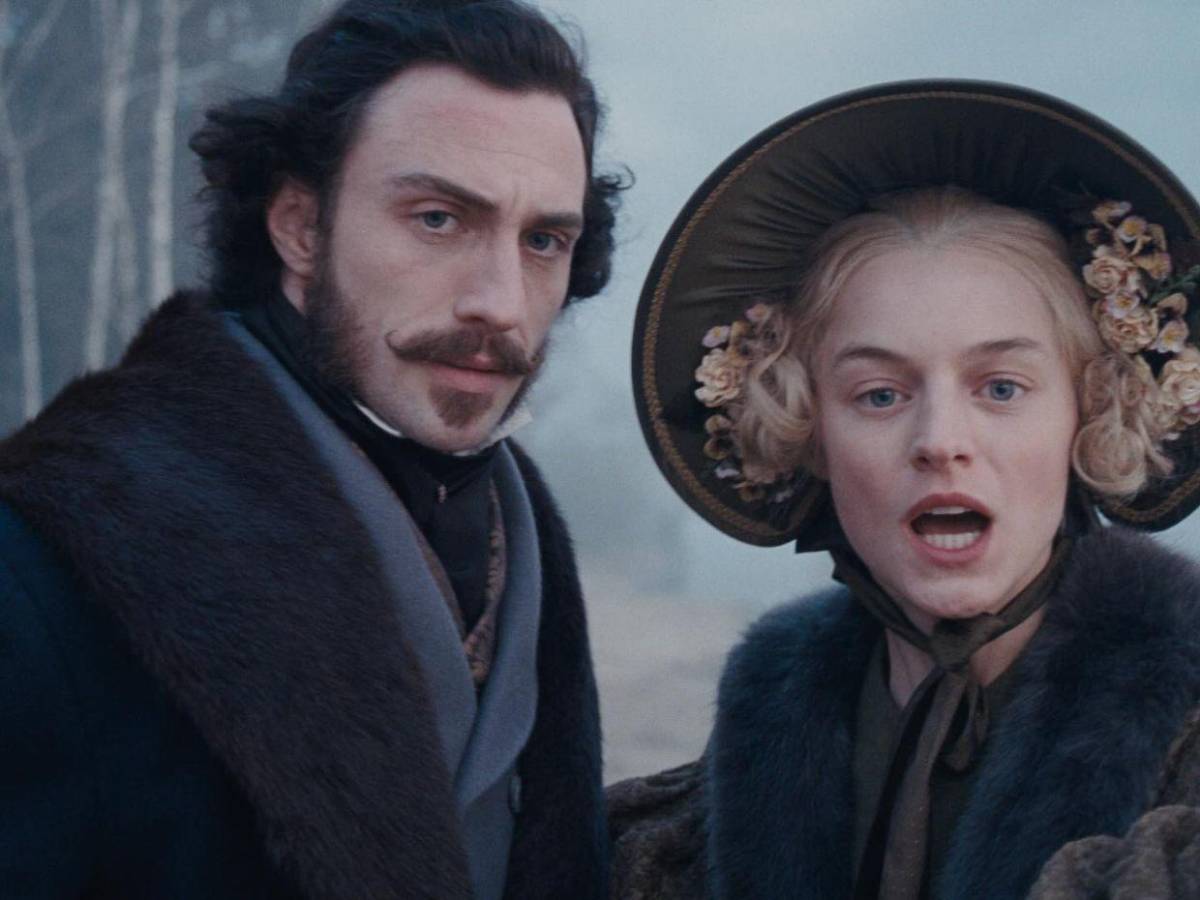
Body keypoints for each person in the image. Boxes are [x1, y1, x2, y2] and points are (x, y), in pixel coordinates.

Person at [0, 1, 625, 897]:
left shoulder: (520, 534)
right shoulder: (45, 561)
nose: (500, 301)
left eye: (542, 240)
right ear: (299, 224)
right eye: (438, 218)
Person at [611, 81, 1200, 899]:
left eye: (1001, 388)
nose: (940, 441)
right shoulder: (741, 760)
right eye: (880, 395)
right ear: (812, 430)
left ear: (1091, 411)